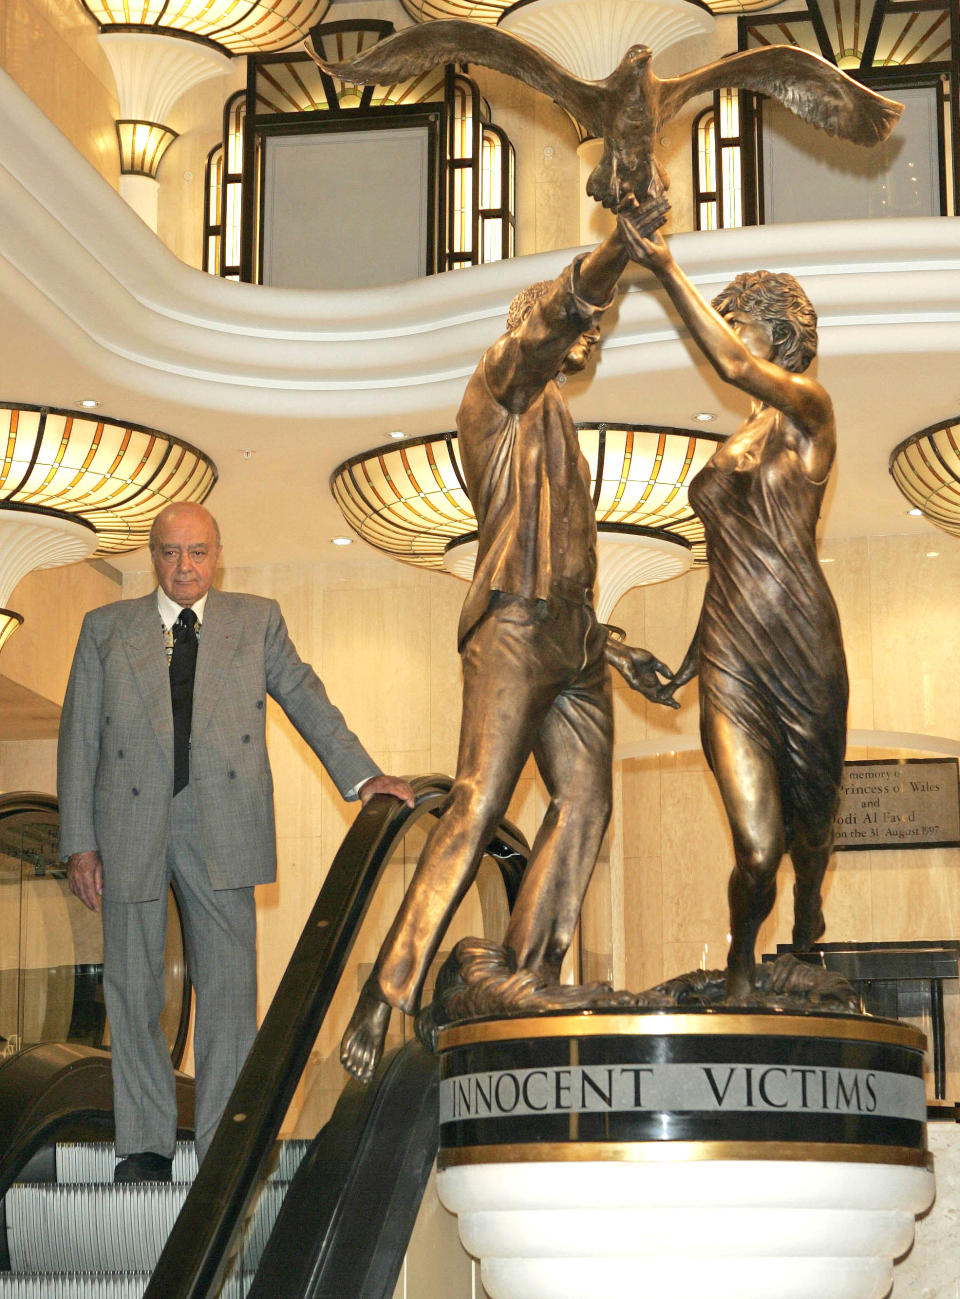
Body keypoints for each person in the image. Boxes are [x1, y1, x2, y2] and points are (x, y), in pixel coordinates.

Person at [341, 197, 678, 1085]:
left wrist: (611, 646)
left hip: (571, 639)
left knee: (587, 801)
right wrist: (616, 255)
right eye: (574, 328)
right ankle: (392, 983)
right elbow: (554, 323)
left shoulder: (563, 423)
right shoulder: (495, 393)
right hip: (514, 629)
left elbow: (568, 551)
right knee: (479, 800)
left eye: (593, 334)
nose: (585, 341)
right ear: (532, 331)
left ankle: (524, 976)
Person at [57, 501, 414, 1181]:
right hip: (126, 819)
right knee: (132, 988)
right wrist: (79, 841)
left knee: (228, 991)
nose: (183, 565)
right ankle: (144, 1145)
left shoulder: (257, 620)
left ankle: (221, 1144)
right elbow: (80, 738)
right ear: (152, 556)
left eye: (197, 551)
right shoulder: (105, 628)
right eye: (169, 552)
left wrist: (363, 774)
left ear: (216, 554)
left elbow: (306, 695)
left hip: (221, 816)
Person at [619, 215, 849, 1001]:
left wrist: (664, 267)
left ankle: (810, 910)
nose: (730, 337)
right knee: (758, 846)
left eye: (741, 321)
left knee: (809, 831)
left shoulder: (809, 413)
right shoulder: (741, 438)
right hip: (729, 650)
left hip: (801, 642)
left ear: (778, 336)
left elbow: (724, 357)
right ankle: (743, 968)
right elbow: (730, 566)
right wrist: (684, 666)